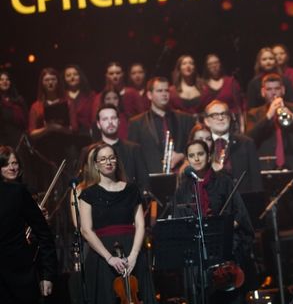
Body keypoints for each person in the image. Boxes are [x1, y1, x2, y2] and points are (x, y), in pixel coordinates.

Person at [174, 139, 256, 301]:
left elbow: (240, 214)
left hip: (225, 253)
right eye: (192, 155)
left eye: (200, 154)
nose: (196, 159)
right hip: (198, 255)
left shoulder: (224, 181)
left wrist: (227, 226)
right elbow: (179, 221)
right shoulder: (183, 188)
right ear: (187, 160)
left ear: (209, 155)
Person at [78, 143, 156, 304]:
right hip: (103, 255)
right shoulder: (88, 193)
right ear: (96, 164)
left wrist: (134, 256)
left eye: (111, 158)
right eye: (103, 159)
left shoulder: (131, 189)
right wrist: (109, 258)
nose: (108, 162)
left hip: (131, 251)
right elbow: (86, 230)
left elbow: (140, 225)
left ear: (117, 161)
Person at [0, 148, 57, 303]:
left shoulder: (19, 192)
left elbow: (44, 234)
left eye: (14, 163)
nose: (11, 167)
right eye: (6, 164)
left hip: (18, 277)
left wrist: (47, 274)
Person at [128, 77, 195, 173]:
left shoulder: (185, 119)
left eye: (166, 90)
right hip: (151, 177)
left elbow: (195, 146)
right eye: (159, 91)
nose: (164, 94)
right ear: (149, 95)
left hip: (180, 175)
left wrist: (182, 155)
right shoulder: (136, 123)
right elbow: (133, 155)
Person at [246, 73, 293, 171]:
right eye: (269, 89)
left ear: (283, 90)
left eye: (277, 88)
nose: (273, 93)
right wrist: (268, 116)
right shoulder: (254, 113)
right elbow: (249, 139)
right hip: (266, 166)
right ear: (263, 92)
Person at [204, 100, 262, 193]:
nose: (220, 118)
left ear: (229, 118)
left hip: (241, 201)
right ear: (207, 121)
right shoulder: (201, 145)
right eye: (215, 115)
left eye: (224, 114)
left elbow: (256, 180)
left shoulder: (246, 143)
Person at [89, 105, 149, 192]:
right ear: (98, 124)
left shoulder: (134, 149)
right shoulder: (91, 151)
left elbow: (144, 182)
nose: (110, 122)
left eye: (113, 118)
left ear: (119, 121)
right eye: (105, 119)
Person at [28, 67, 78, 137]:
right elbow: (32, 133)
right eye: (46, 80)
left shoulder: (68, 102)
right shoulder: (36, 106)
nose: (50, 82)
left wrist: (58, 128)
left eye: (53, 79)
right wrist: (47, 129)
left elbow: (74, 128)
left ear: (58, 82)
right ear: (42, 83)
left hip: (66, 143)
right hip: (44, 144)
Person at [63, 64, 96, 135]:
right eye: (68, 75)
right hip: (67, 135)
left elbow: (94, 117)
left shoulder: (90, 95)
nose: (72, 77)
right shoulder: (61, 97)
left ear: (80, 76)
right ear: (64, 79)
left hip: (87, 134)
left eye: (75, 74)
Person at [0, 69, 27, 148]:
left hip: (21, 141)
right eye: (1, 80)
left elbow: (26, 120)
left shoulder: (19, 100)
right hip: (5, 144)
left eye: (7, 79)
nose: (5, 81)